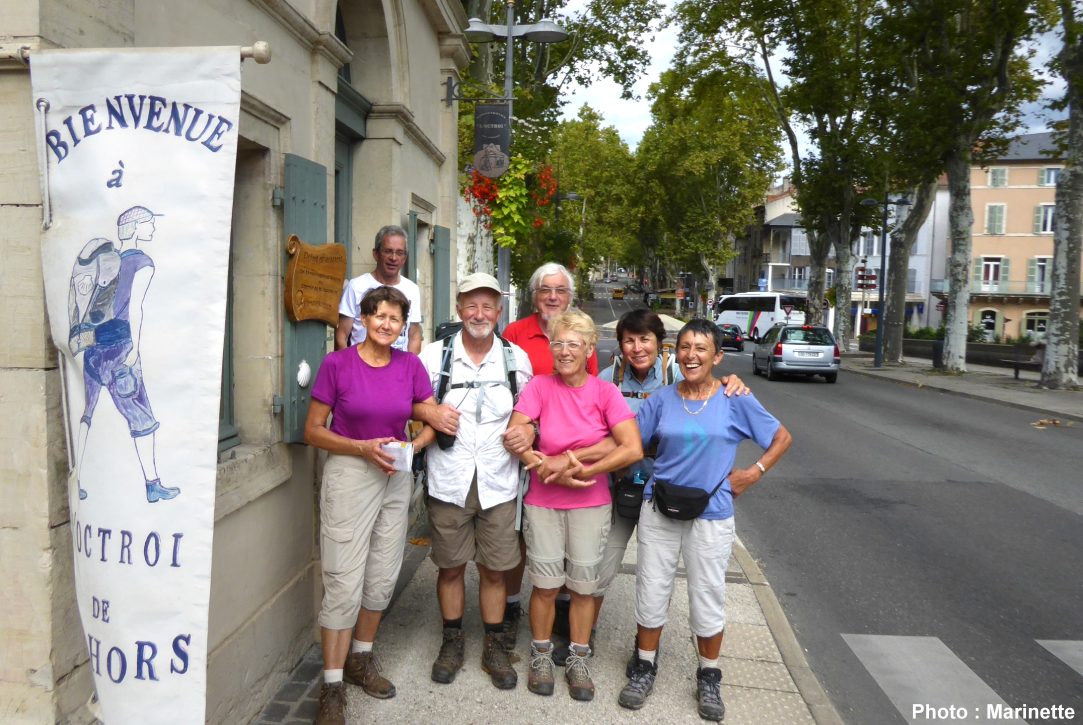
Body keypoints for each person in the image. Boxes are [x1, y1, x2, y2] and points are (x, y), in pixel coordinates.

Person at [617, 319, 792, 721]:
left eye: (700, 348)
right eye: (684, 347)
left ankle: (709, 675)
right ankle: (644, 666)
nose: (691, 355)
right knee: (651, 589)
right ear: (674, 354)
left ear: (717, 356)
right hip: (659, 508)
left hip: (711, 514)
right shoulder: (660, 399)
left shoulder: (735, 399)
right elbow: (631, 445)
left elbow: (781, 437)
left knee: (707, 594)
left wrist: (753, 473)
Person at [305, 286, 436, 725]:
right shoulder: (337, 364)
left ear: (403, 327)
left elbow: (431, 418)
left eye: (395, 319)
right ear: (362, 318)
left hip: (394, 476)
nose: (386, 324)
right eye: (378, 315)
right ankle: (332, 685)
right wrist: (360, 448)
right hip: (350, 471)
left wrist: (414, 445)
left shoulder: (410, 365)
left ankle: (362, 659)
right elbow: (313, 431)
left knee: (381, 574)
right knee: (343, 579)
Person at [593, 309, 748, 664]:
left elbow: (707, 393)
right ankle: (584, 634)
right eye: (629, 340)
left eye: (645, 339)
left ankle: (649, 652)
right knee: (601, 567)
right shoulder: (608, 378)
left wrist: (731, 382)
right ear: (620, 345)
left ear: (660, 344)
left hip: (667, 495)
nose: (637, 347)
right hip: (619, 487)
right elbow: (599, 429)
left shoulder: (677, 374)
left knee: (665, 580)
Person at [507, 310, 644, 702]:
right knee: (546, 585)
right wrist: (542, 463)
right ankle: (541, 654)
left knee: (583, 587)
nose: (565, 351)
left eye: (573, 344)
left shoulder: (605, 393)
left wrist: (577, 467)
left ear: (588, 350)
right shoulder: (538, 387)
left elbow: (631, 448)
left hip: (591, 501)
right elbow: (516, 436)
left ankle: (579, 658)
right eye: (558, 343)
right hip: (543, 501)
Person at [413, 273, 533, 690]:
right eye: (471, 305)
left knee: (496, 570)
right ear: (460, 309)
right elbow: (411, 402)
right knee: (449, 567)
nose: (479, 314)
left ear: (499, 312)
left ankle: (494, 646)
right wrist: (429, 414)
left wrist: (530, 432)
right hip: (449, 478)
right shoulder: (433, 357)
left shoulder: (517, 360)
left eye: (487, 306)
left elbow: (529, 413)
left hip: (499, 481)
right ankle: (452, 640)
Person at [499, 262, 596, 651]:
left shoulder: (578, 335)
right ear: (534, 295)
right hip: (521, 447)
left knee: (564, 537)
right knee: (521, 535)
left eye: (559, 290)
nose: (552, 297)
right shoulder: (515, 332)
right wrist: (527, 439)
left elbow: (586, 395)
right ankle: (510, 605)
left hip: (566, 452)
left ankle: (559, 610)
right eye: (545, 290)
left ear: (569, 296)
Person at [69, 206, 178, 503]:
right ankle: (153, 485)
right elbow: (136, 310)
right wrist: (135, 352)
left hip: (93, 348)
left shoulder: (109, 263)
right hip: (120, 348)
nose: (153, 228)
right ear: (136, 227)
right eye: (149, 223)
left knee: (87, 411)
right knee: (142, 417)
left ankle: (77, 479)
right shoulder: (142, 263)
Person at [335, 225, 422, 353]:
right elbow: (341, 335)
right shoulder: (356, 286)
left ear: (404, 258)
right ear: (376, 254)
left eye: (399, 253)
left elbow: (414, 336)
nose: (393, 258)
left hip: (397, 370)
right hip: (361, 368)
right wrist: (349, 367)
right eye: (388, 251)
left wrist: (409, 369)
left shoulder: (412, 289)